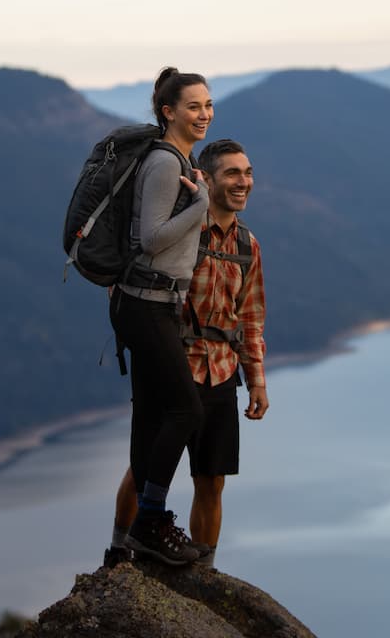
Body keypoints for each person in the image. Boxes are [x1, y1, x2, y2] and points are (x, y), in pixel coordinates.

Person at [106, 138, 269, 570]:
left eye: (248, 173)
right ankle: (120, 552)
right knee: (142, 467)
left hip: (220, 371)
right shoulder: (183, 232)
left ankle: (204, 572)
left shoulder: (247, 246)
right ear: (207, 179)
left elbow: (249, 317)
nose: (244, 182)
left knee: (211, 480)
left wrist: (256, 380)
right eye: (233, 174)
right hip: (173, 363)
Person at [108, 67, 214, 566]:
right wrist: (203, 205)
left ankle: (126, 544)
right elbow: (151, 239)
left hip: (154, 305)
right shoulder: (165, 164)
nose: (204, 114)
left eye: (208, 105)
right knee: (186, 410)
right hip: (145, 305)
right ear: (168, 111)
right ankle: (150, 519)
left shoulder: (178, 163)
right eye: (193, 106)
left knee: (151, 418)